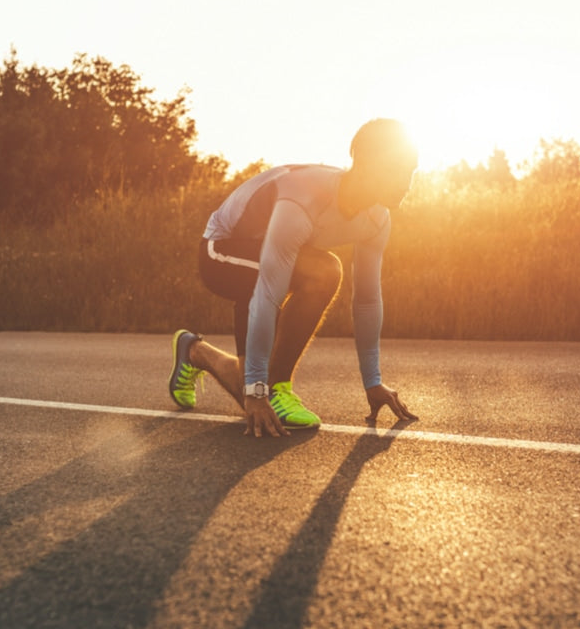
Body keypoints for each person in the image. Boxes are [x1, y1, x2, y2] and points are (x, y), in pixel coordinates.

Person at [168, 118, 420, 437]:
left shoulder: (377, 219)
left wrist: (372, 381)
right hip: (221, 250)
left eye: (413, 171)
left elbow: (367, 300)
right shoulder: (304, 197)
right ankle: (261, 385)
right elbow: (266, 292)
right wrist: (256, 393)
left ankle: (203, 354)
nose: (408, 183)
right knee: (253, 389)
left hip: (269, 258)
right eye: (401, 170)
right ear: (369, 164)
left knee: (327, 272)